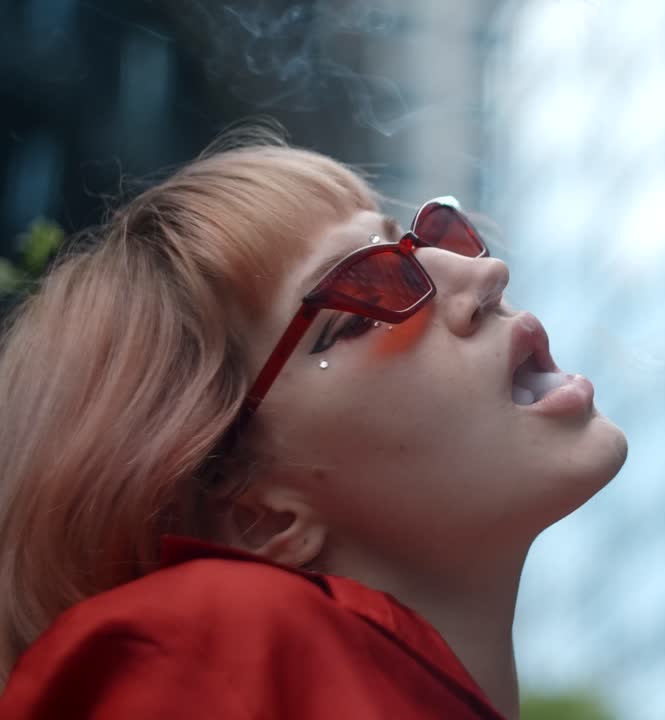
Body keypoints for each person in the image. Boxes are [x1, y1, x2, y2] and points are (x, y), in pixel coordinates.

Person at [0, 125, 628, 719]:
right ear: (257, 513)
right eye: (365, 301)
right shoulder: (191, 645)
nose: (485, 272)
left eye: (429, 240)